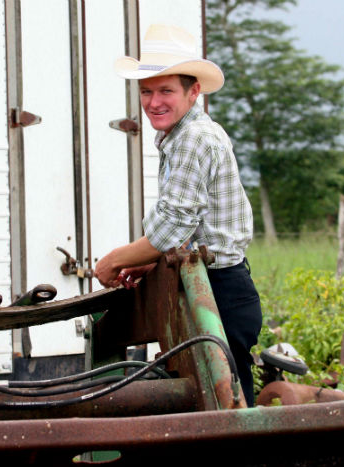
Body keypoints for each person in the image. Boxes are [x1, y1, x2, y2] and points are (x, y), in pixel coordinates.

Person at [94, 24, 262, 406]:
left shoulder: (193, 138)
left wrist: (115, 260)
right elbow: (187, 228)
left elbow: (174, 222)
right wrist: (150, 262)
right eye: (146, 91)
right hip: (202, 283)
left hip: (219, 290)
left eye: (166, 90)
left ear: (193, 91)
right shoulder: (182, 134)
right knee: (209, 405)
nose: (153, 102)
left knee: (227, 407)